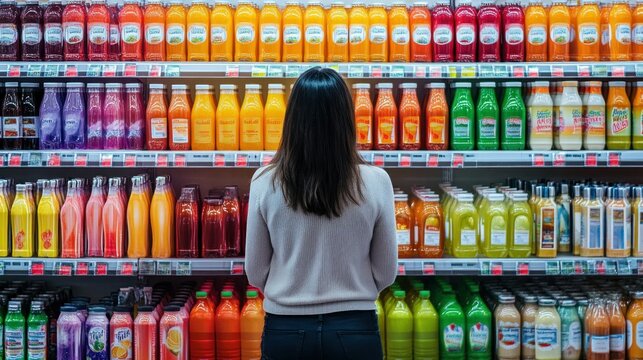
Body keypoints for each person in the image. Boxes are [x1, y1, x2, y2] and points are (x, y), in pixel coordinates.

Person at [245, 67, 397, 360]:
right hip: (355, 329)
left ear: (292, 120)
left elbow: (255, 271)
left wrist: (293, 288)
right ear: (346, 120)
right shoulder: (377, 181)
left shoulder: (265, 181)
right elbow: (386, 272)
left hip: (285, 329)